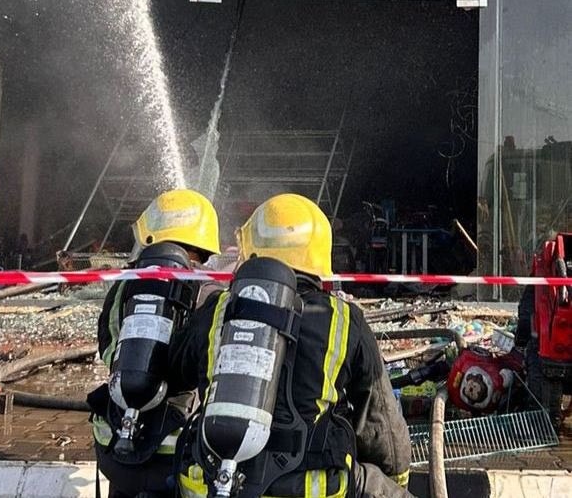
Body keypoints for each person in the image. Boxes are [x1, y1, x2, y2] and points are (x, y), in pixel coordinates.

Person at [169, 193, 413, 498]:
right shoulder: (343, 320)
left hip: (217, 483)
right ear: (317, 256)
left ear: (252, 251)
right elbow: (381, 426)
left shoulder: (217, 311)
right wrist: (397, 479)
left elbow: (174, 371)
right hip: (312, 487)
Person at [89, 188, 221, 498]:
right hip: (179, 453)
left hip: (118, 442)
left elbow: (109, 350)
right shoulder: (211, 292)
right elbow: (214, 368)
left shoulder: (127, 285)